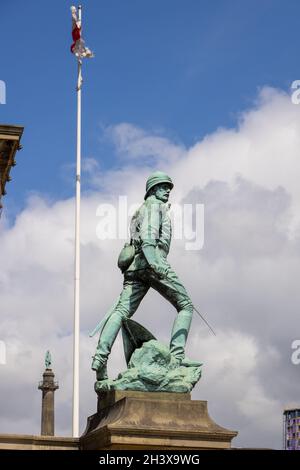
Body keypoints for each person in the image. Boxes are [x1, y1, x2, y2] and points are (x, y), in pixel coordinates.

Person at [92, 171, 199, 381]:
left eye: (169, 187)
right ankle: (177, 357)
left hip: (134, 267)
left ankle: (100, 357)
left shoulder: (139, 210)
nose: (168, 191)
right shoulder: (153, 206)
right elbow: (149, 236)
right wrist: (156, 264)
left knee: (121, 311)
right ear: (153, 189)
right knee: (185, 305)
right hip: (152, 262)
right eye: (163, 187)